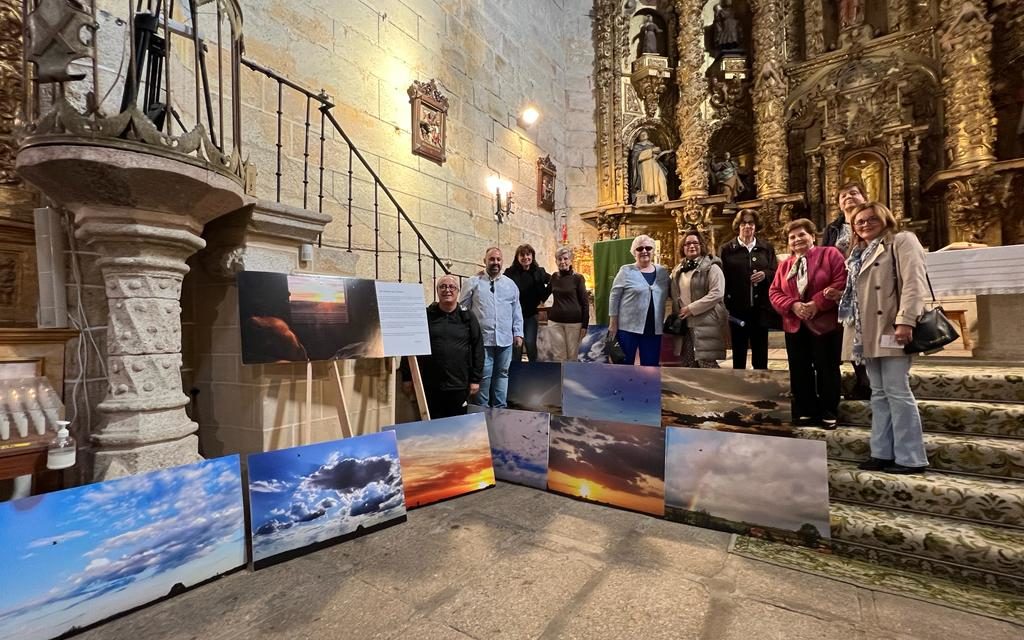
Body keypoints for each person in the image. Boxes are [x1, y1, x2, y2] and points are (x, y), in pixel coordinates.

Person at [838, 202, 930, 474]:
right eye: (859, 222)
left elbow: (914, 282)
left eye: (870, 219)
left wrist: (906, 320)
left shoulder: (901, 241)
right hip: (867, 332)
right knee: (878, 393)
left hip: (891, 327)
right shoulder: (859, 251)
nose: (864, 224)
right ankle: (882, 452)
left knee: (898, 392)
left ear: (884, 218)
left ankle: (910, 457)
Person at [769, 219, 847, 428]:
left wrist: (817, 303)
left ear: (813, 235)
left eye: (801, 234)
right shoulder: (785, 265)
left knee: (826, 368)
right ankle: (805, 410)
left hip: (824, 323)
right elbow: (774, 292)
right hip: (795, 324)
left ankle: (828, 411)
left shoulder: (829, 254)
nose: (797, 239)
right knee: (799, 369)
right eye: (792, 237)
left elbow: (841, 280)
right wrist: (793, 305)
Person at [400, 275, 483, 418]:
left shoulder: (468, 317)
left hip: (458, 385)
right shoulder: (426, 315)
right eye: (443, 287)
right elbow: (410, 345)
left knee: (457, 426)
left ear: (457, 291)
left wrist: (475, 379)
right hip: (430, 385)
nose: (447, 290)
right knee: (432, 427)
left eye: (451, 287)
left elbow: (478, 348)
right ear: (437, 291)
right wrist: (407, 376)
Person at [824, 180, 872, 399]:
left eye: (853, 193)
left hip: (869, 285)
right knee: (850, 336)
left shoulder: (873, 221)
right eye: (843, 196)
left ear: (864, 196)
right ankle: (862, 380)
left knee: (868, 335)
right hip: (841, 287)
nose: (848, 197)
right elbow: (824, 258)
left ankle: (874, 381)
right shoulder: (833, 228)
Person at [460, 247, 524, 408]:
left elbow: (517, 310)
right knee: (484, 376)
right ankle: (483, 412)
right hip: (483, 340)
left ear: (502, 262)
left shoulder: (511, 285)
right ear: (485, 261)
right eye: (492, 259)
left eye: (498, 259)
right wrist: (466, 333)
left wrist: (518, 333)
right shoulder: (474, 282)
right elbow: (463, 308)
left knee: (503, 375)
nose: (495, 262)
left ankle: (500, 410)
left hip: (505, 340)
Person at [719, 211, 778, 369]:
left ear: (755, 226)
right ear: (737, 226)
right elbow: (721, 277)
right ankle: (739, 385)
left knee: (760, 349)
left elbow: (776, 272)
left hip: (761, 308)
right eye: (743, 223)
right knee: (739, 350)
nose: (747, 226)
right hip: (737, 308)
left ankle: (760, 384)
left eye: (751, 223)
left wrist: (765, 274)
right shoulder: (727, 249)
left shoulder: (766, 248)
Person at [608, 234, 670, 366]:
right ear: (634, 252)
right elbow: (614, 296)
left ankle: (648, 386)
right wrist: (613, 322)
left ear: (653, 250)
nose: (644, 251)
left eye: (648, 248)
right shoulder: (626, 271)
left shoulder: (663, 272)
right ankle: (623, 387)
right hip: (627, 327)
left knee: (651, 365)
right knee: (624, 364)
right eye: (640, 249)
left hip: (653, 327)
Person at [670, 230, 728, 368]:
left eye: (695, 243)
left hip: (706, 321)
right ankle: (694, 390)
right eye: (687, 243)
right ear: (682, 247)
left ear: (701, 245)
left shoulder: (712, 267)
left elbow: (717, 293)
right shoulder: (677, 269)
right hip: (685, 322)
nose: (691, 246)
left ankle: (718, 389)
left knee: (707, 362)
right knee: (689, 362)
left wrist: (692, 308)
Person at [504, 244, 551, 363]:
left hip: (531, 314)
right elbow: (499, 280)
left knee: (530, 342)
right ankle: (516, 371)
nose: (525, 257)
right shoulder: (510, 272)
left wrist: (544, 298)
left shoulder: (539, 272)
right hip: (514, 315)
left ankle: (533, 370)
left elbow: (554, 280)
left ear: (532, 256)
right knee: (516, 345)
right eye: (522, 255)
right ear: (517, 257)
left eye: (528, 254)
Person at [547, 247, 589, 362]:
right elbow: (543, 294)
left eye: (565, 258)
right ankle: (560, 380)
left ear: (571, 260)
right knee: (558, 356)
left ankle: (570, 380)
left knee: (572, 356)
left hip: (574, 323)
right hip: (555, 322)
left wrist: (584, 325)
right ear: (556, 261)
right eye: (559, 259)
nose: (562, 262)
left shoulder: (578, 278)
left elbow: (585, 303)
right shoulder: (554, 277)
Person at [630, 131, 670, 204]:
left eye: (645, 134)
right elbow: (637, 157)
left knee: (661, 179)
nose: (643, 135)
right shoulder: (637, 147)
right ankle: (652, 199)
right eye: (641, 134)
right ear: (638, 137)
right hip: (645, 166)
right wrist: (651, 151)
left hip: (655, 164)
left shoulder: (652, 145)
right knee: (649, 183)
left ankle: (662, 197)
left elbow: (659, 155)